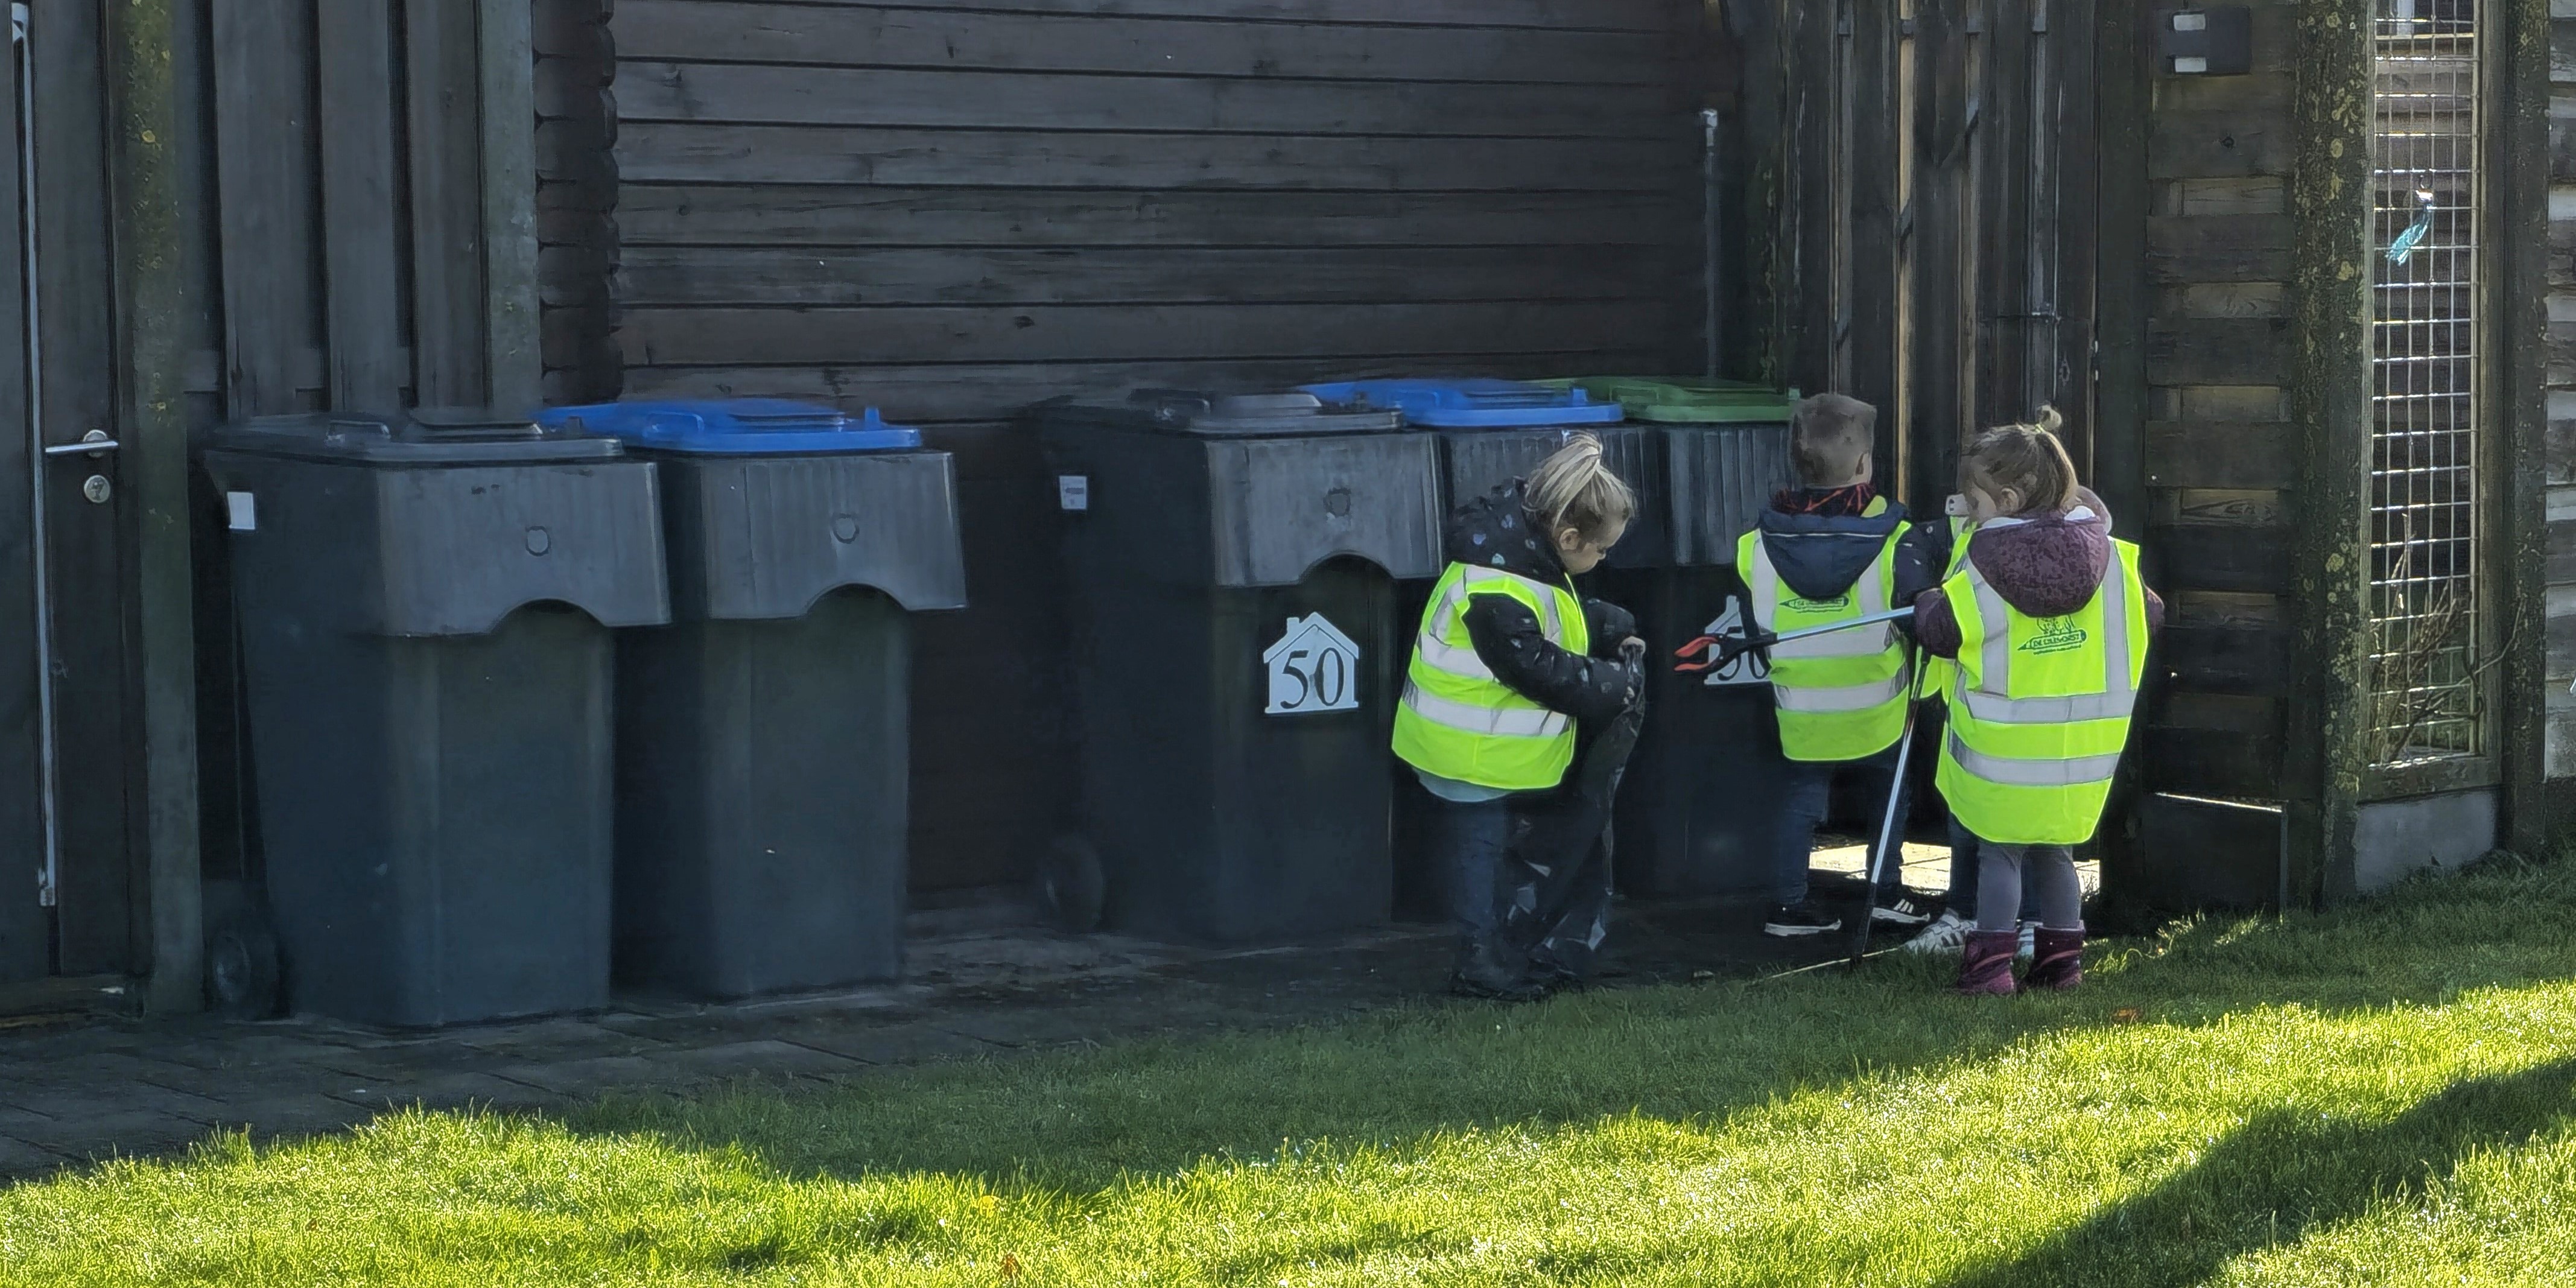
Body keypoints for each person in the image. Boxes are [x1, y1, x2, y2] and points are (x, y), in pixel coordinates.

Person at [1911, 408, 2162, 994]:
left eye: (1972, 504)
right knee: (2057, 853)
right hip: (2078, 755)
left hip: (2002, 751)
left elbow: (1943, 631)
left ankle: (1989, 968)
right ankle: (2061, 962)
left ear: (2004, 497)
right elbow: (2149, 613)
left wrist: (1925, 601)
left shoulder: (1981, 567)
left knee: (2000, 854)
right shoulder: (2112, 562)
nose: (1968, 516)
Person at [1392, 434, 1645, 1001]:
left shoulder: (1517, 557)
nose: (1602, 561)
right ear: (1569, 537)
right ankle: (1478, 960)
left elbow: (1551, 623)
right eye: (1599, 551)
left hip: (1474, 751)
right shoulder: (1500, 586)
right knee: (1478, 858)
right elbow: (1539, 667)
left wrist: (1603, 623)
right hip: (1469, 755)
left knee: (1488, 852)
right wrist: (1615, 684)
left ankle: (1494, 949)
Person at [1737, 393, 1942, 938]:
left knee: (1800, 801)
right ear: (1863, 465)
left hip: (1801, 714)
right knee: (1890, 794)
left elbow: (1757, 628)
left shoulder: (1755, 545)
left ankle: (1787, 906)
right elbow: (1917, 620)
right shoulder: (1897, 539)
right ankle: (1886, 892)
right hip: (1879, 712)